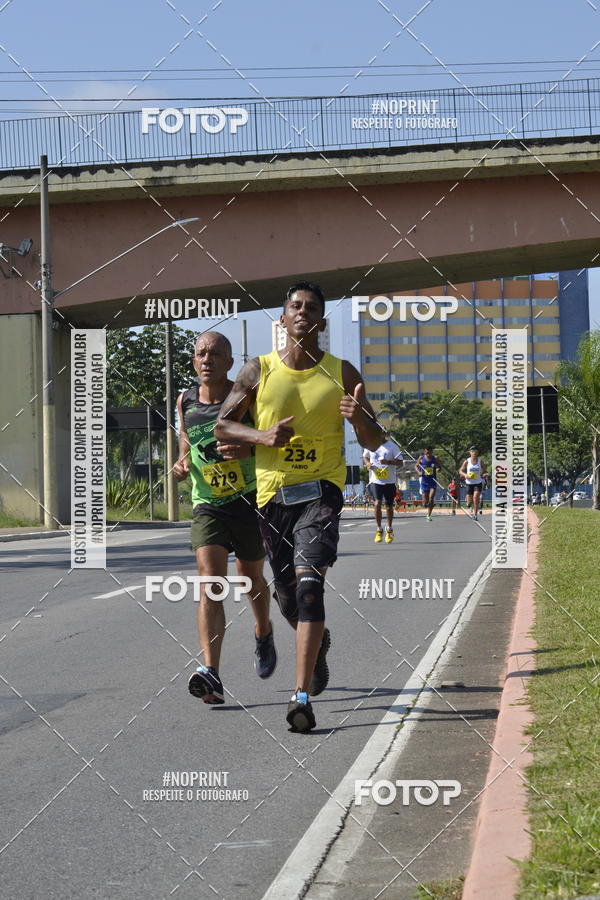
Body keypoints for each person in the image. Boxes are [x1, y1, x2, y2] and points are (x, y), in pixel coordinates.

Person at [216, 281, 382, 732]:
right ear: (283, 320)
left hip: (322, 493)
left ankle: (301, 695)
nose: (302, 312)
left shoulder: (342, 372)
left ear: (321, 322)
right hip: (273, 499)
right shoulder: (257, 371)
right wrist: (262, 437)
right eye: (295, 306)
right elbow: (223, 426)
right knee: (288, 595)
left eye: (311, 307)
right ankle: (319, 642)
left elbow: (374, 440)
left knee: (310, 586)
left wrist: (359, 415)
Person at [174, 332, 277, 706]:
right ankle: (211, 672)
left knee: (250, 579)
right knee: (210, 583)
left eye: (215, 354)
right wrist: (183, 460)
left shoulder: (245, 396)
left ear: (229, 362)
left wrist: (247, 446)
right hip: (208, 505)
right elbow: (186, 439)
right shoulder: (185, 399)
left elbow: (267, 439)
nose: (207, 360)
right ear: (193, 361)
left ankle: (263, 631)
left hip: (249, 500)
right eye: (201, 354)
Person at [363, 439, 404, 543]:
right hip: (375, 480)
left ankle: (389, 529)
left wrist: (388, 462)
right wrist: (368, 464)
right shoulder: (370, 443)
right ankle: (379, 529)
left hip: (389, 481)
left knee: (389, 507)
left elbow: (400, 462)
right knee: (377, 503)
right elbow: (365, 456)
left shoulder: (392, 446)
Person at [459, 446, 488, 517]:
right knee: (469, 501)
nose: (474, 453)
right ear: (470, 453)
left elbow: (485, 471)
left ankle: (475, 514)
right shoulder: (467, 461)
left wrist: (485, 474)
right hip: (469, 483)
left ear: (477, 453)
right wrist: (465, 475)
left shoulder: (480, 461)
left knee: (476, 497)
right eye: (472, 451)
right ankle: (468, 503)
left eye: (475, 451)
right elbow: (460, 471)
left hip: (478, 483)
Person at [415, 446, 442, 521]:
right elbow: (416, 466)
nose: (428, 454)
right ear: (424, 452)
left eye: (430, 452)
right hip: (424, 482)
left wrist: (437, 469)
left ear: (432, 452)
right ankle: (425, 504)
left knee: (431, 497)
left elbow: (439, 467)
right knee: (425, 502)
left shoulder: (435, 458)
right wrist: (418, 472)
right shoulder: (421, 458)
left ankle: (429, 515)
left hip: (432, 481)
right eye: (427, 452)